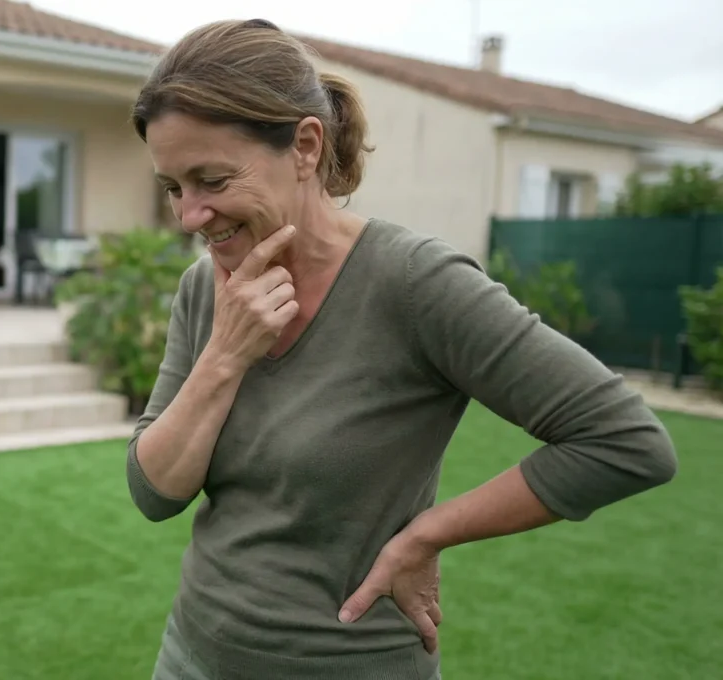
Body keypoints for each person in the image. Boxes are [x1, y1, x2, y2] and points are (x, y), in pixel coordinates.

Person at [125, 18, 678, 680]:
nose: (189, 216)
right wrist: (225, 355)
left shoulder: (414, 283)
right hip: (191, 658)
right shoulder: (205, 288)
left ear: (305, 145)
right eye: (174, 188)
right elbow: (155, 493)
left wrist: (429, 533)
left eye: (211, 181)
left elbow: (624, 441)